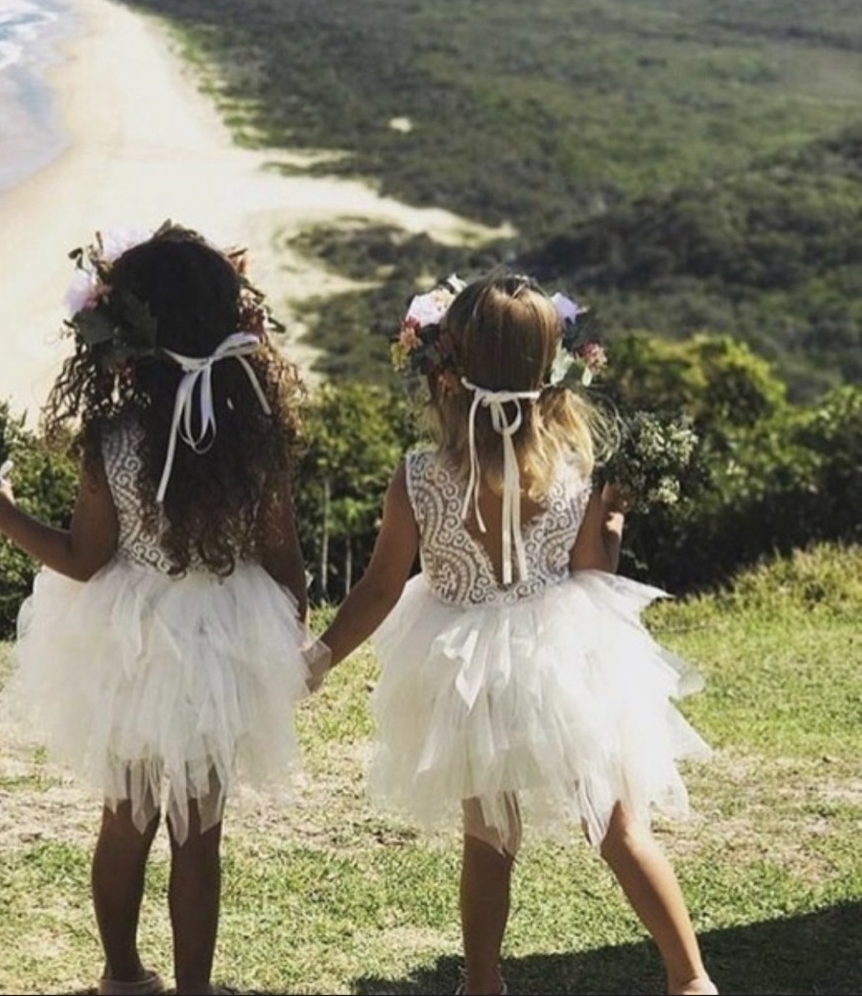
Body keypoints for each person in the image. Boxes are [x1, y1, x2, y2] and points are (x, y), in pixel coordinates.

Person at [307, 271, 718, 996]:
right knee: (620, 828)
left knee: (490, 835)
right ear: (551, 365)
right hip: (568, 658)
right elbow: (592, 571)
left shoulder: (420, 476)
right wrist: (613, 524)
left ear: (448, 361)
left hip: (465, 668)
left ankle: (485, 982)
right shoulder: (574, 465)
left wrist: (319, 657)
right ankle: (688, 979)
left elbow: (377, 589)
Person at [0, 222, 311, 996]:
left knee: (126, 823)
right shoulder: (255, 438)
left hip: (133, 647)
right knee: (199, 835)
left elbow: (86, 561)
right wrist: (288, 641)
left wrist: (6, 517)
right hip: (226, 640)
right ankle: (194, 988)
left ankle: (122, 974)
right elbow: (285, 561)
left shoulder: (114, 436)